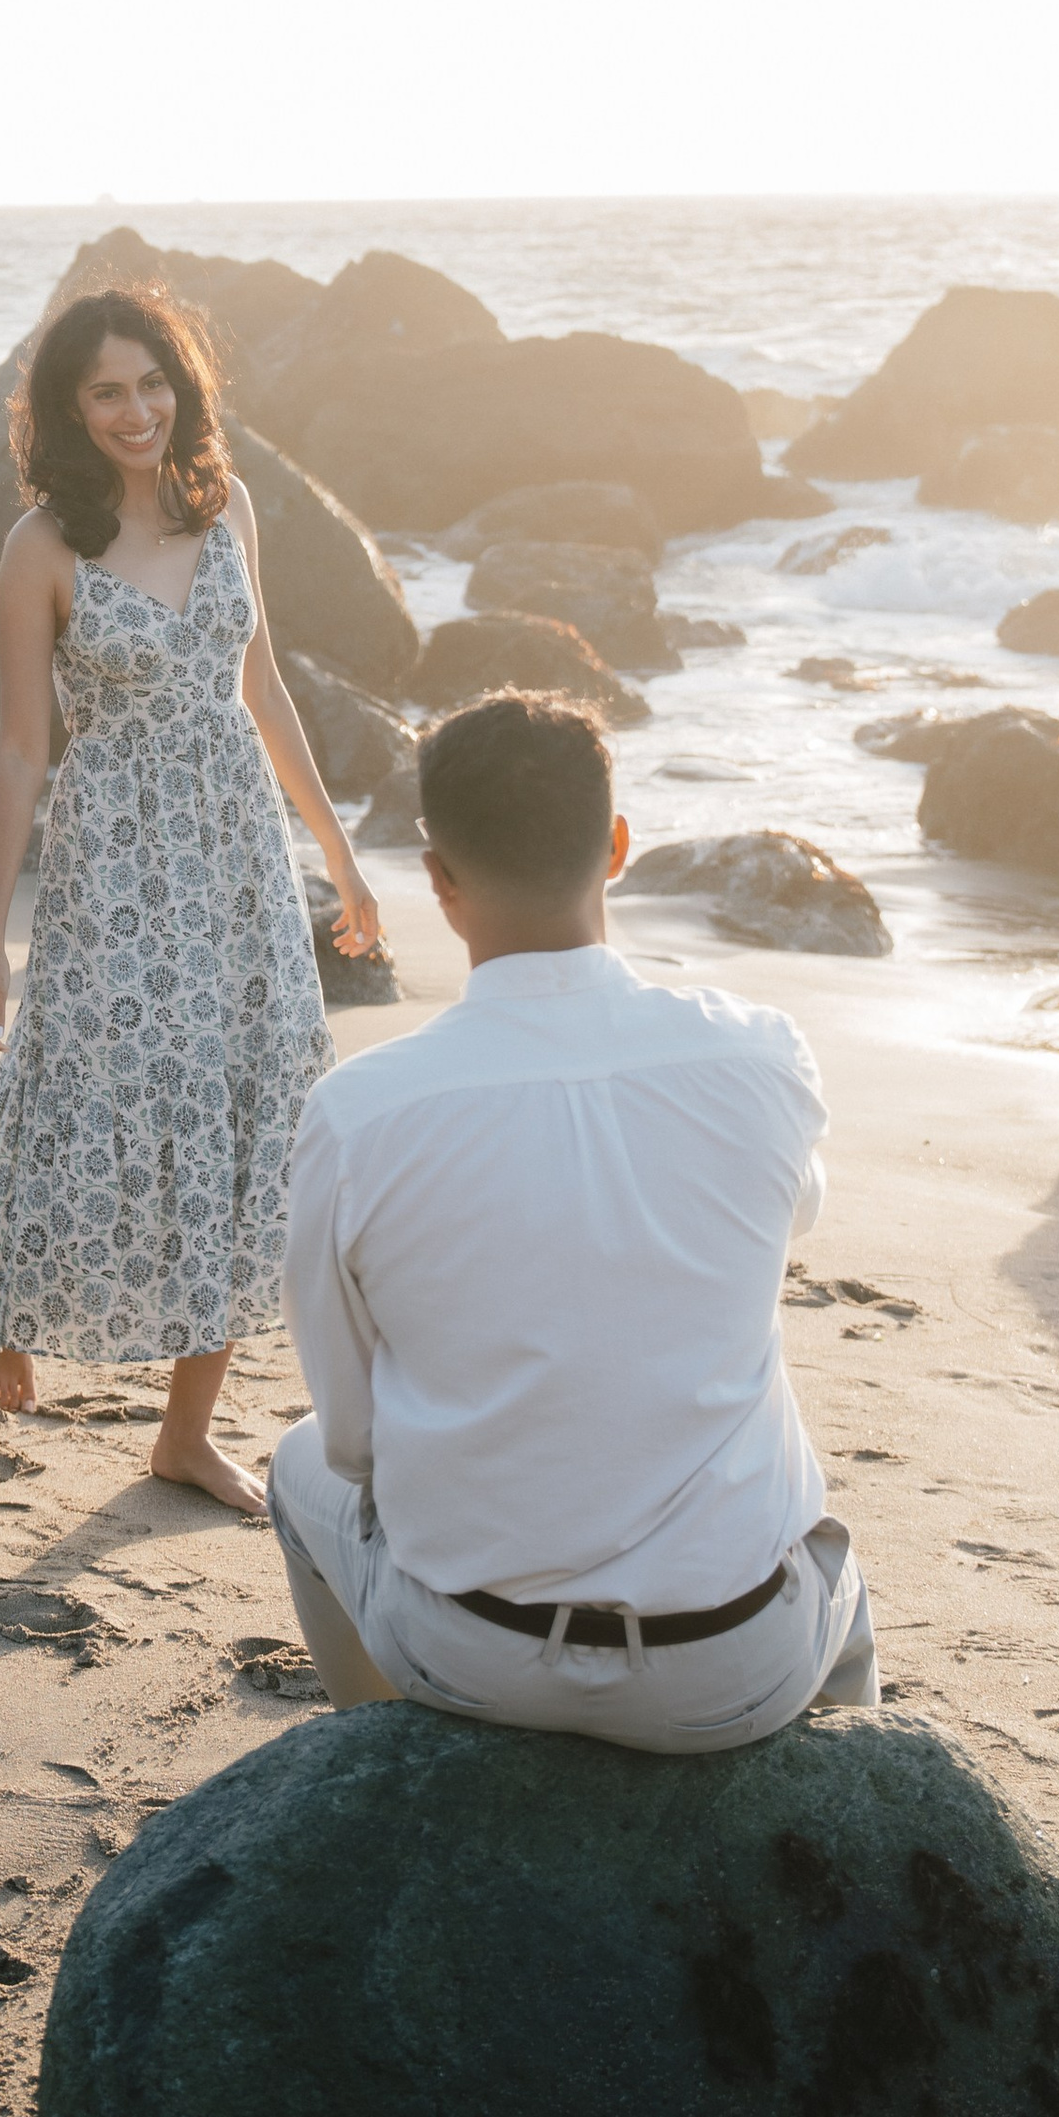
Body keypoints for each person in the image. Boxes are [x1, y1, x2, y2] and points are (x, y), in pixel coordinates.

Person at [269, 688, 877, 1746]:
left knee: (298, 1464)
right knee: (835, 1574)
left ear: (440, 880)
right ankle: (846, 1820)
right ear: (620, 845)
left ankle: (386, 1761)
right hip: (736, 1667)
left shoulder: (360, 1114)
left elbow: (358, 1445)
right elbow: (796, 1211)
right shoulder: (758, 1054)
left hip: (474, 1652)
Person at [0, 283, 382, 1512]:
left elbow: (262, 687)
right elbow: (22, 750)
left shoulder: (222, 504)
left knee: (252, 1102)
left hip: (235, 855)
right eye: (108, 392)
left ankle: (186, 1431)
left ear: (184, 385)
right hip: (115, 857)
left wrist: (335, 852)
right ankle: (1, 1300)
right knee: (84, 1080)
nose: (138, 411)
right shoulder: (41, 547)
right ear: (70, 411)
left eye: (154, 383)